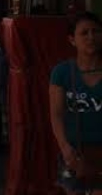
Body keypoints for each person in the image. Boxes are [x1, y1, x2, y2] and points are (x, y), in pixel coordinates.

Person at [49, 12, 102, 194]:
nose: (91, 37)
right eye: (84, 33)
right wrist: (64, 147)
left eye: (96, 31)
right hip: (74, 153)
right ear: (72, 40)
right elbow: (56, 114)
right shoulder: (61, 72)